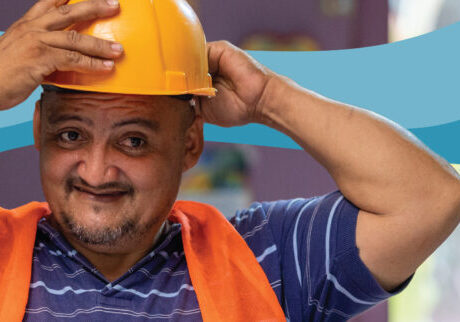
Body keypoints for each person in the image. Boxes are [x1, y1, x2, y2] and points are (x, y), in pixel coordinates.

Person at [0, 0, 459, 321]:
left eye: (134, 141)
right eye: (72, 134)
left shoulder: (265, 260)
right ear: (40, 128)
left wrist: (269, 98)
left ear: (190, 145)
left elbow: (429, 198)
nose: (96, 172)